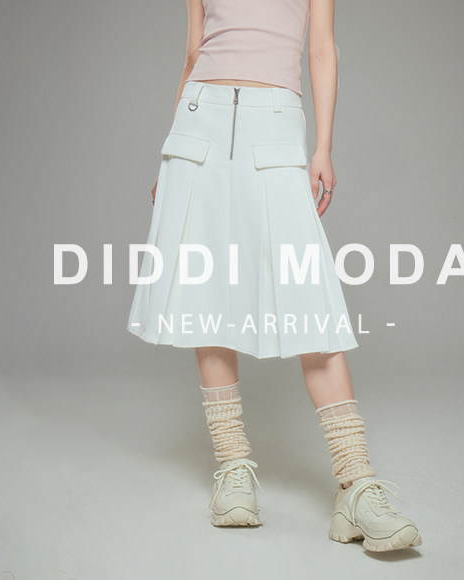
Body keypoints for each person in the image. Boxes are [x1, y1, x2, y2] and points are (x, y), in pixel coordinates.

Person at [127, 0, 422, 552]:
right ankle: (233, 468)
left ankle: (355, 486)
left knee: (311, 305)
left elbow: (321, 49)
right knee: (206, 296)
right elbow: (193, 54)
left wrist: (323, 146)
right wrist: (170, 152)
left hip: (276, 123)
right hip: (199, 121)